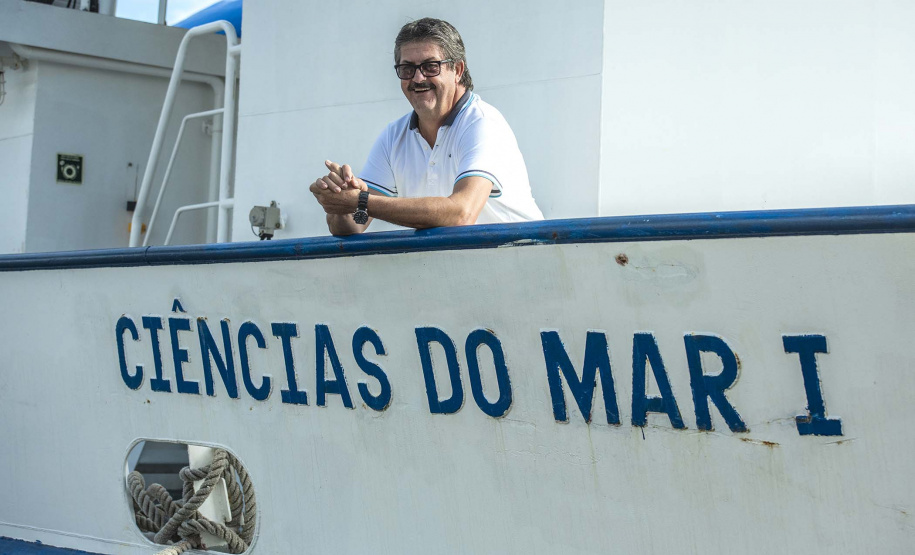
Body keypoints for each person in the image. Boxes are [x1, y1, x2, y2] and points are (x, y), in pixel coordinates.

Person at [309, 17, 543, 235]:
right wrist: (339, 201)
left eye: (431, 66)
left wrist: (361, 201)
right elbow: (354, 226)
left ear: (458, 70)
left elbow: (461, 213)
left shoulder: (482, 122)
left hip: (524, 263)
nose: (418, 78)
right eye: (407, 69)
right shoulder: (393, 136)